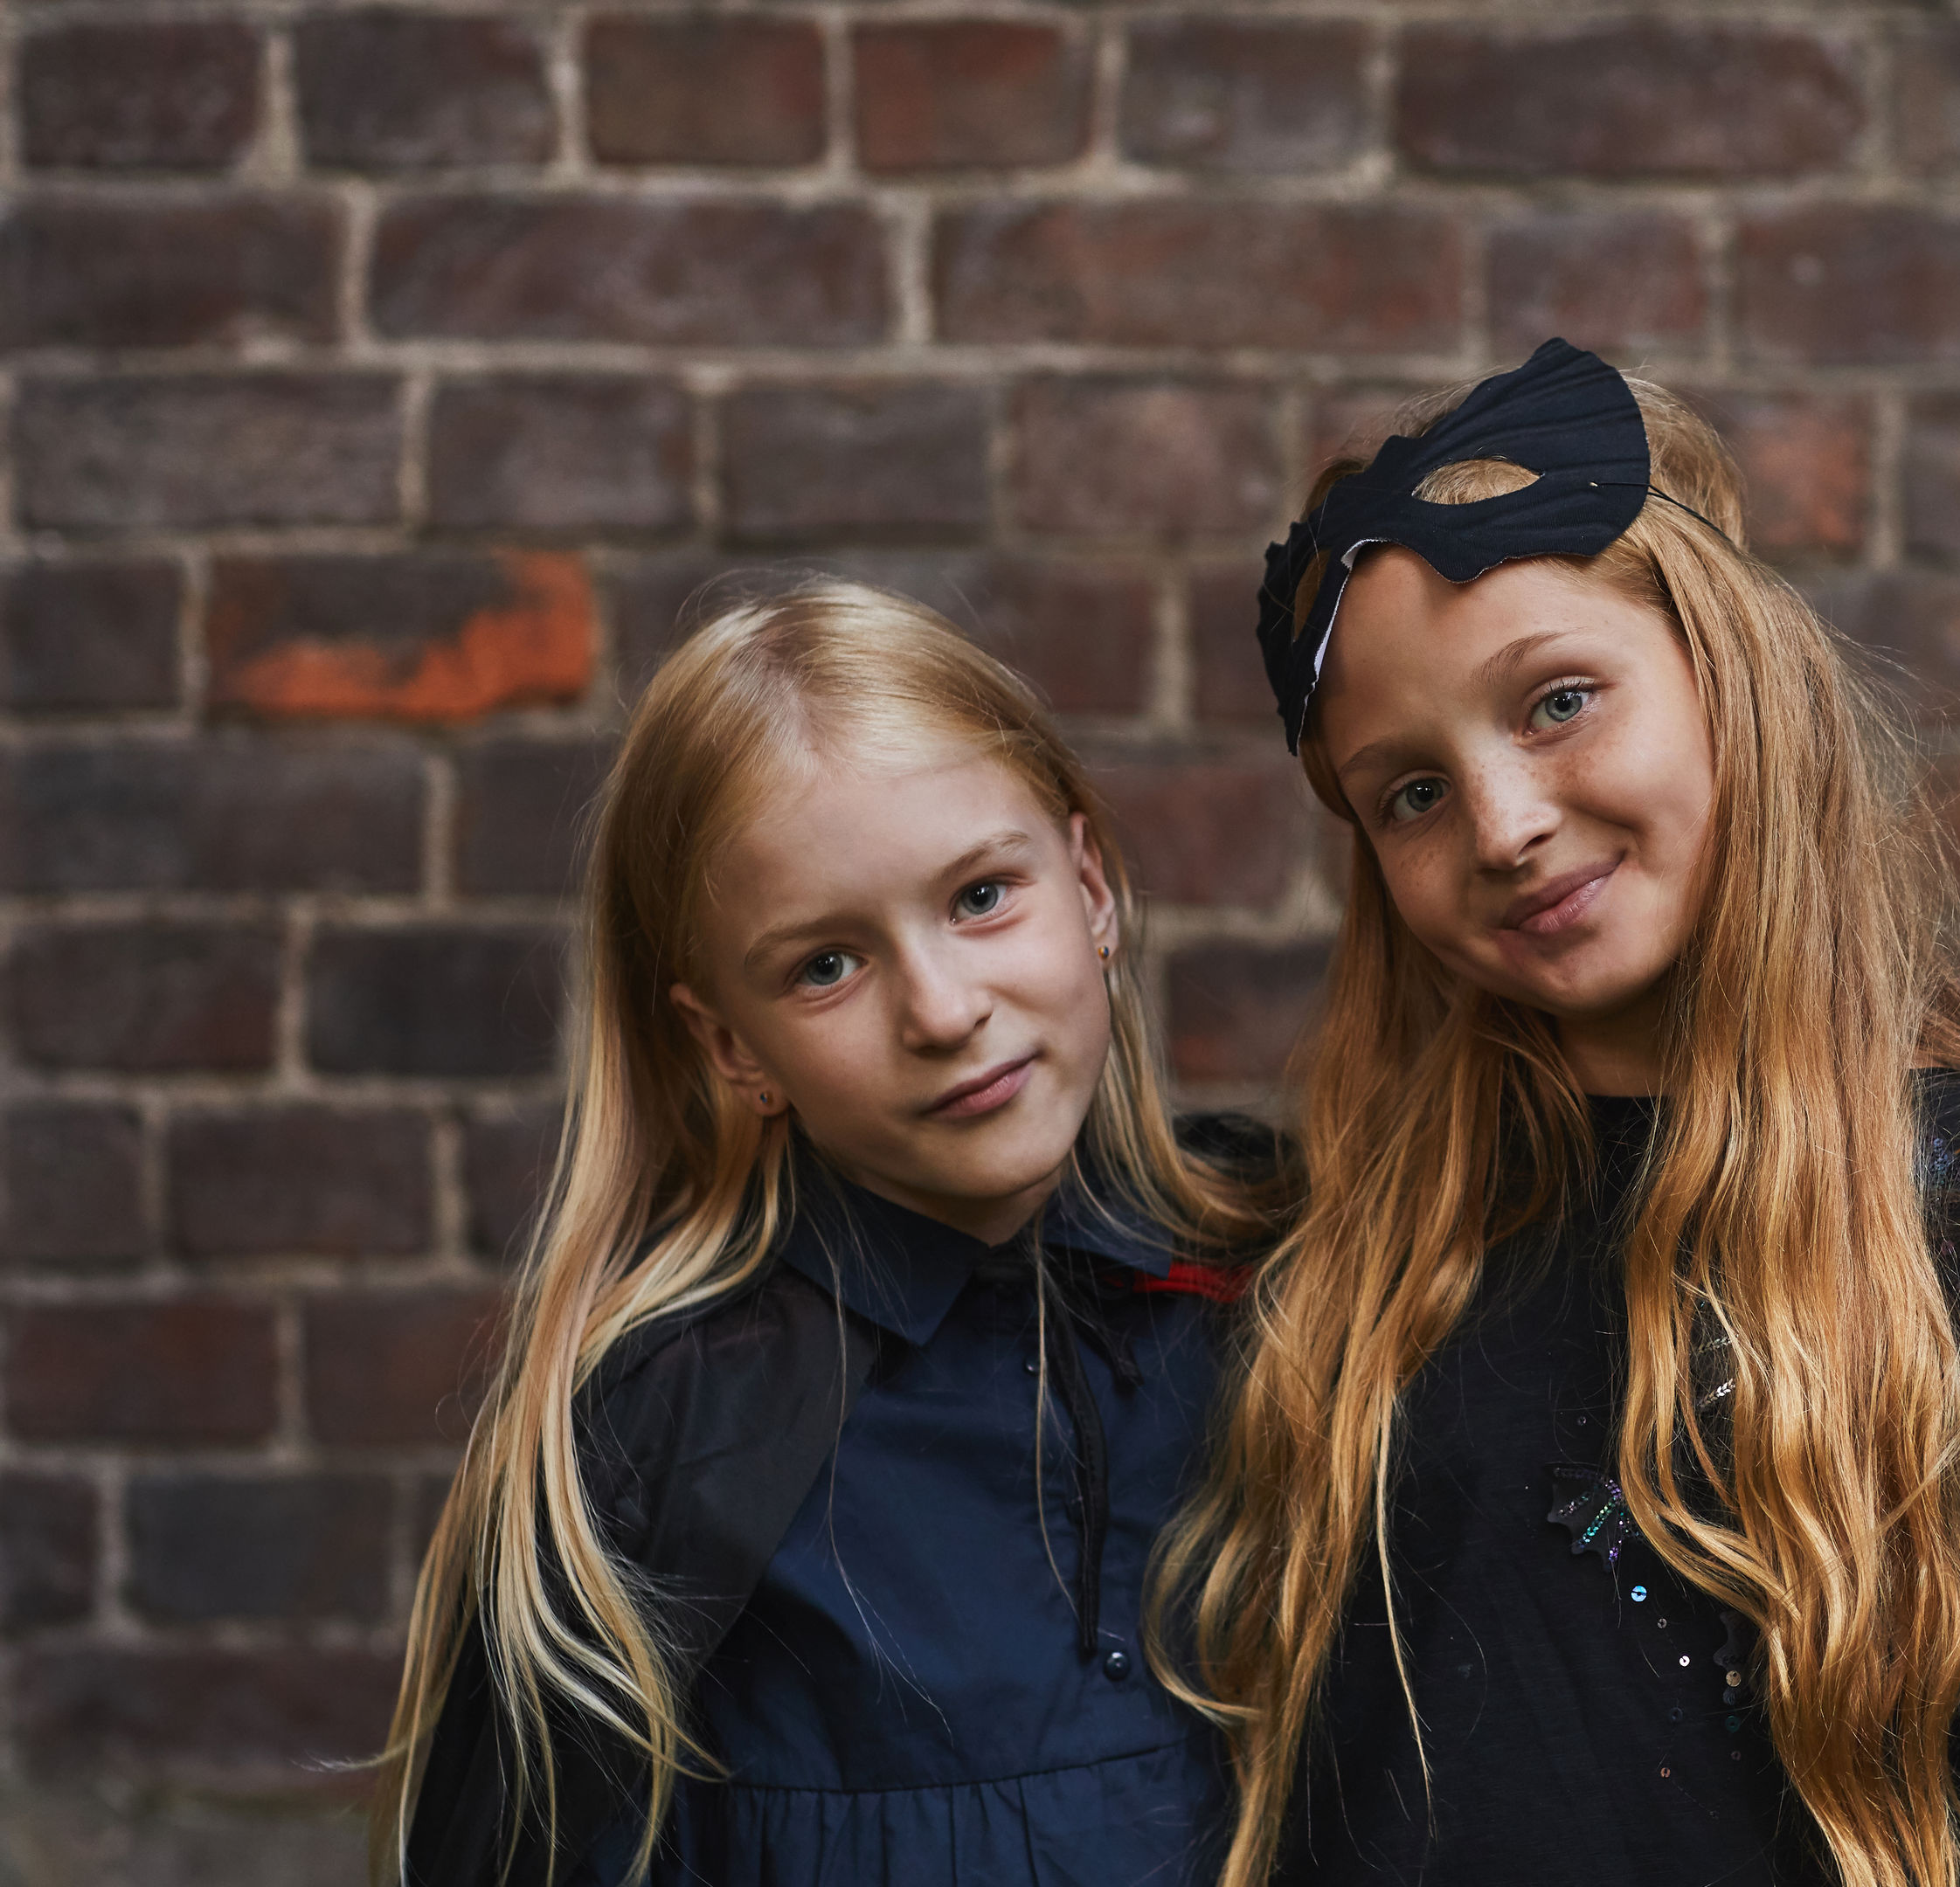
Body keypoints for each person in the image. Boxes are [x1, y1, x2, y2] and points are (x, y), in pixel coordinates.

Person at [1154, 340, 1960, 1887]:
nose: (1502, 823)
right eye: (1410, 794)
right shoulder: (1355, 1257)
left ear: (1730, 676)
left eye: (1558, 701)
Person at [371, 578, 1283, 1887]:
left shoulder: (1302, 1274)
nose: (941, 1007)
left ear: (1089, 886)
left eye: (980, 897)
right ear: (735, 1046)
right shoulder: (653, 1441)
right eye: (826, 966)